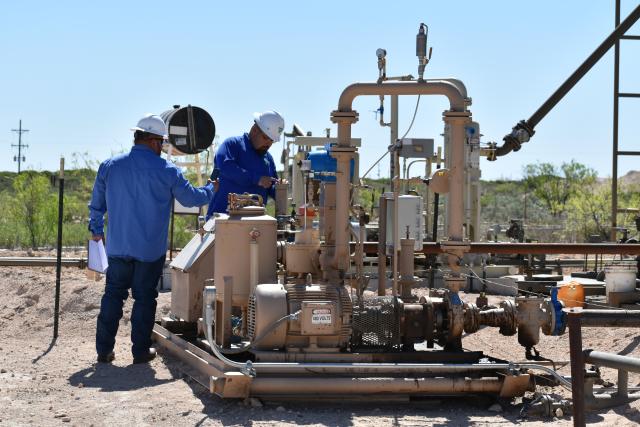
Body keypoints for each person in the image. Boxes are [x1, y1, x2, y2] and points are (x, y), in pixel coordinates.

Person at [88, 113, 215, 364]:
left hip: (118, 247)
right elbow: (192, 199)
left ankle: (104, 351)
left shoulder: (110, 166)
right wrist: (213, 189)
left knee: (113, 296)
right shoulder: (167, 170)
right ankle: (140, 352)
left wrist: (96, 230)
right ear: (156, 142)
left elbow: (97, 206)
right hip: (149, 250)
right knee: (145, 299)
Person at [206, 111, 284, 216]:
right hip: (222, 221)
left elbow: (272, 187)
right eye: (266, 138)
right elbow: (226, 167)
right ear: (254, 129)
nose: (268, 144)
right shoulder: (232, 145)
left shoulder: (268, 159)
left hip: (254, 226)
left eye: (272, 141)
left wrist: (281, 187)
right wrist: (257, 179)